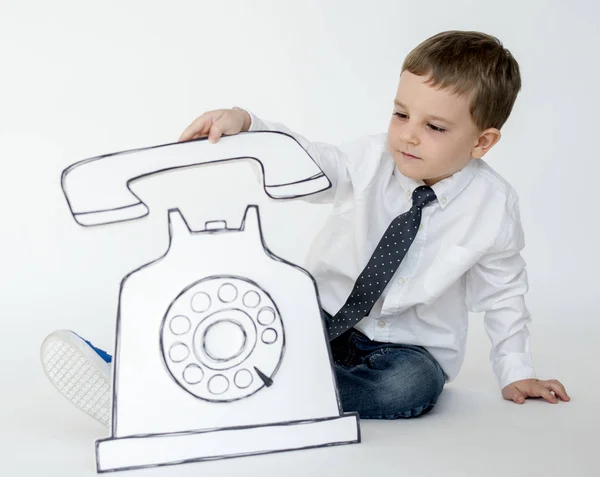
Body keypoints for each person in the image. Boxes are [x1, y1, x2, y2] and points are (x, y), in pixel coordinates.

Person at [40, 30, 570, 427]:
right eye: (400, 113)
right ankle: (138, 372)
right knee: (261, 305)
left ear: (483, 142)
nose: (407, 137)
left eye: (434, 127)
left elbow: (503, 291)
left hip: (408, 349)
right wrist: (250, 122)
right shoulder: (368, 161)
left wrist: (515, 368)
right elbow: (307, 161)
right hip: (322, 312)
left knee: (406, 389)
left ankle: (246, 393)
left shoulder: (493, 206)